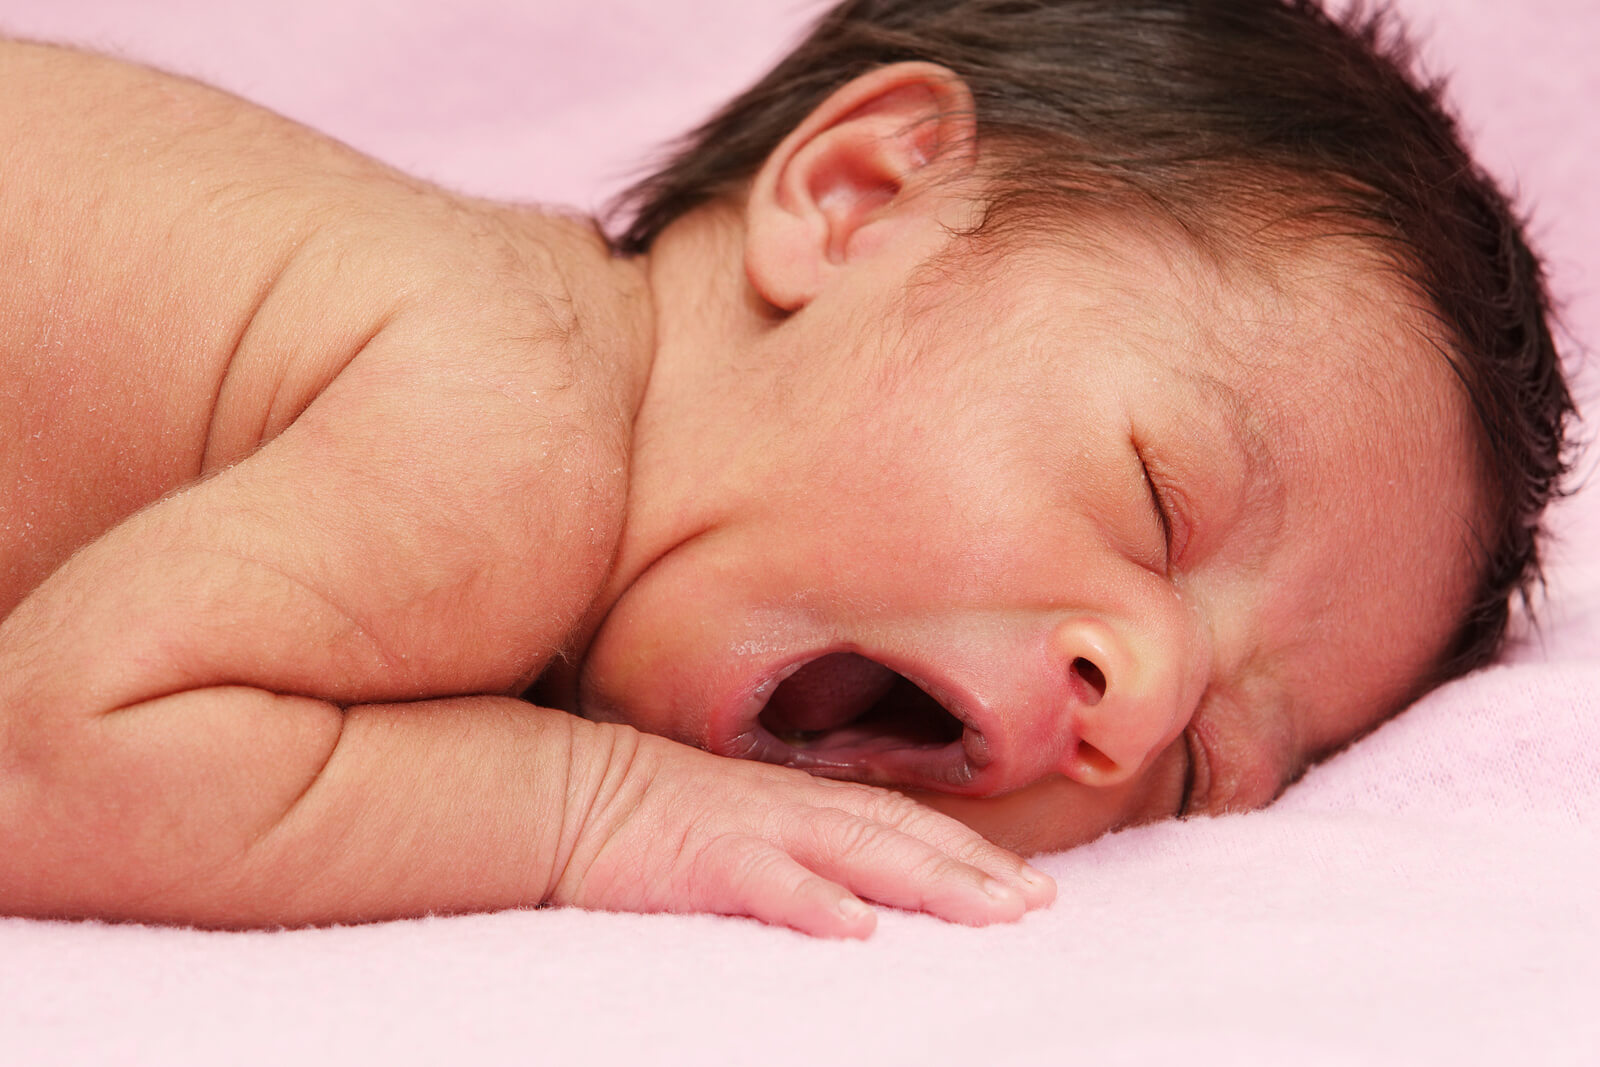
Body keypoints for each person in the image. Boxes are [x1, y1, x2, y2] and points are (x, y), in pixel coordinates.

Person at [0, 0, 1573, 938]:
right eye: (1159, 500)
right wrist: (590, 811)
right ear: (859, 197)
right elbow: (57, 766)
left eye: (1210, 764)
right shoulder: (506, 422)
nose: (1145, 694)